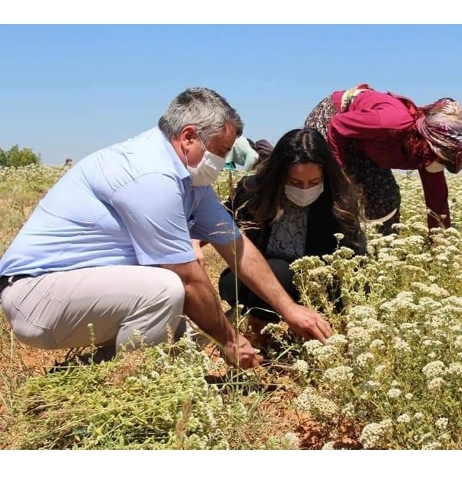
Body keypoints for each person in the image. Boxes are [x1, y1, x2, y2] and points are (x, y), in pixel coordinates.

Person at [0, 87, 332, 370]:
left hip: (73, 289)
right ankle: (112, 386)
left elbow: (235, 245)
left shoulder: (189, 182)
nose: (224, 161)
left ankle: (81, 377)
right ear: (188, 136)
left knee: (185, 335)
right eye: (219, 151)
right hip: (34, 295)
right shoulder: (151, 176)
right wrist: (230, 341)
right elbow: (187, 279)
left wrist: (289, 310)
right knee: (167, 290)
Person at [214, 128, 366, 344]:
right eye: (295, 183)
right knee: (278, 271)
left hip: (314, 283)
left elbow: (356, 259)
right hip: (259, 281)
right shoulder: (253, 191)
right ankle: (260, 330)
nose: (304, 189)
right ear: (279, 175)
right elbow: (218, 219)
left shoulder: (339, 200)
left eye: (314, 183)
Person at [304, 83, 462, 235]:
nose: (440, 164)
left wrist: (439, 241)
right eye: (442, 158)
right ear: (428, 143)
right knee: (338, 198)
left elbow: (437, 199)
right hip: (333, 121)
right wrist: (340, 177)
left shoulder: (427, 155)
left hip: (368, 141)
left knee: (385, 197)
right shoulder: (392, 124)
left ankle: (377, 251)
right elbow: (338, 126)